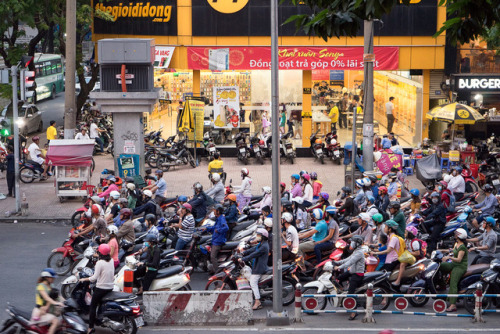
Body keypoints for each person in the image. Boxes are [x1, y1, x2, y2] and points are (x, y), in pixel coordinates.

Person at [79, 244, 115, 334]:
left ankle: (90, 327)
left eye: (98, 251)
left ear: (100, 253)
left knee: (92, 306)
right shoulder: (111, 260)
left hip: (101, 288)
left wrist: (84, 279)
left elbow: (93, 278)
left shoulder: (100, 263)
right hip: (110, 287)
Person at [334, 235, 366, 320]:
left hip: (357, 275)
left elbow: (350, 262)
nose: (351, 244)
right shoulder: (356, 251)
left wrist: (339, 267)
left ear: (356, 244)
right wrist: (336, 262)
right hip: (352, 271)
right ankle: (342, 292)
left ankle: (354, 312)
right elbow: (347, 259)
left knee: (351, 293)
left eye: (352, 242)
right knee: (339, 278)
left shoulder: (359, 253)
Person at [439, 228, 468, 312]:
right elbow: (452, 251)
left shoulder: (462, 247)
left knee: (453, 283)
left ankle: (453, 305)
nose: (454, 235)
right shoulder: (457, 243)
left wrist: (449, 257)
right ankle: (442, 283)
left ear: (459, 236)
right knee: (442, 266)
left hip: (460, 266)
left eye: (456, 234)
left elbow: (459, 259)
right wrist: (440, 251)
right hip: (454, 264)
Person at [240, 228, 269, 310]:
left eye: (259, 235)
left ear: (263, 237)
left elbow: (254, 254)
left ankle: (257, 301)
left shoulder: (264, 246)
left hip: (259, 268)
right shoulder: (261, 244)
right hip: (257, 266)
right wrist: (243, 252)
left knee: (253, 282)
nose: (257, 236)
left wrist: (243, 259)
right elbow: (253, 249)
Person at [31, 268, 63, 334]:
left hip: (49, 310)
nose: (54, 279)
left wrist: (66, 301)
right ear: (46, 277)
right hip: (40, 311)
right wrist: (56, 303)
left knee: (60, 324)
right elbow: (47, 298)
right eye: (52, 278)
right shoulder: (40, 286)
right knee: (55, 321)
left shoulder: (51, 285)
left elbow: (57, 295)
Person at [205, 204, 229, 273]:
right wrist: (207, 228)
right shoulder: (218, 219)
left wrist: (218, 230)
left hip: (218, 241)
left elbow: (226, 228)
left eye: (215, 210)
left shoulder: (221, 219)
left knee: (212, 256)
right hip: (215, 239)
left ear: (218, 211)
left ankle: (217, 271)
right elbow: (214, 228)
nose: (214, 211)